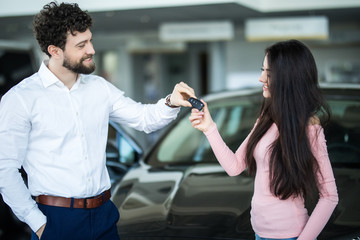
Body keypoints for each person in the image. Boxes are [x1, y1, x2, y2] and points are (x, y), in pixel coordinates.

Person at [0, 2, 197, 240]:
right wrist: (39, 224)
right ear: (54, 51)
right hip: (56, 220)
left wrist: (171, 101)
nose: (91, 49)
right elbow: (5, 170)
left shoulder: (99, 88)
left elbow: (143, 118)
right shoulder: (21, 99)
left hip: (104, 215)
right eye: (81, 45)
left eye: (90, 40)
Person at [189, 39, 338, 240]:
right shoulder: (266, 119)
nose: (261, 78)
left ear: (287, 78)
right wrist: (209, 129)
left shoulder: (309, 128)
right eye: (262, 70)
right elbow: (234, 167)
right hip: (259, 234)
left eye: (268, 73)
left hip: (291, 235)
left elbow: (330, 196)